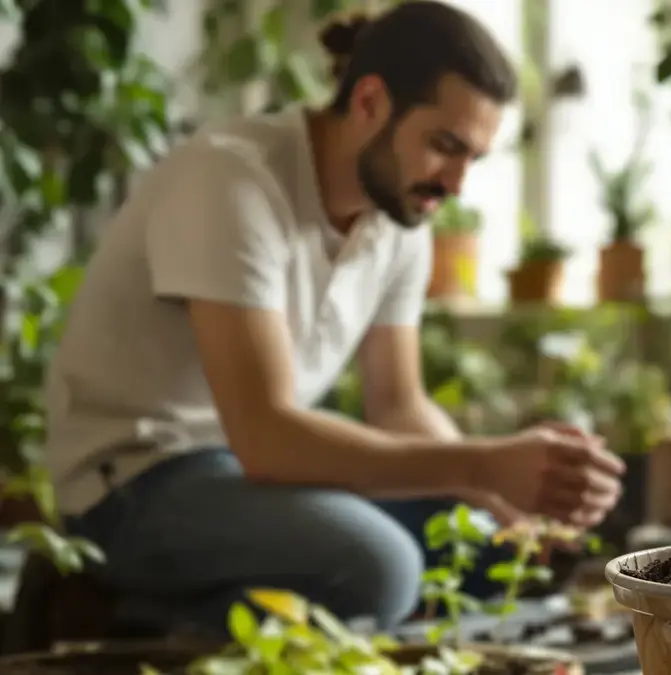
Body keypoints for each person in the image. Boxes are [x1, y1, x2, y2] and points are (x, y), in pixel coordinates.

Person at [43, 1, 625, 638]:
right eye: (443, 146)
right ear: (370, 101)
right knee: (379, 568)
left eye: (472, 159)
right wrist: (481, 465)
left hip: (247, 474)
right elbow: (265, 436)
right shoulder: (231, 181)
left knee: (485, 550)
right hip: (134, 482)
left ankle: (284, 612)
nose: (456, 184)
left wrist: (496, 499)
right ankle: (109, 619)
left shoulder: (399, 216)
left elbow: (398, 404)